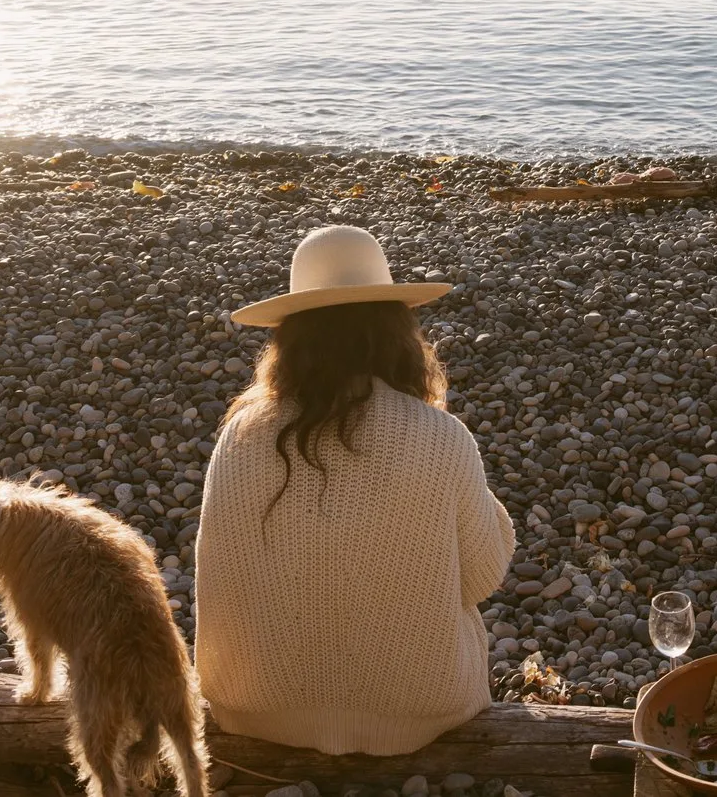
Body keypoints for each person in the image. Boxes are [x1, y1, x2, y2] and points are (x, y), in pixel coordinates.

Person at [195, 225, 514, 755]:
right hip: (416, 709)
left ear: (289, 337)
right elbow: (481, 576)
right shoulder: (439, 437)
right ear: (394, 328)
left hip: (253, 705)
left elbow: (218, 575)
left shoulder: (242, 434)